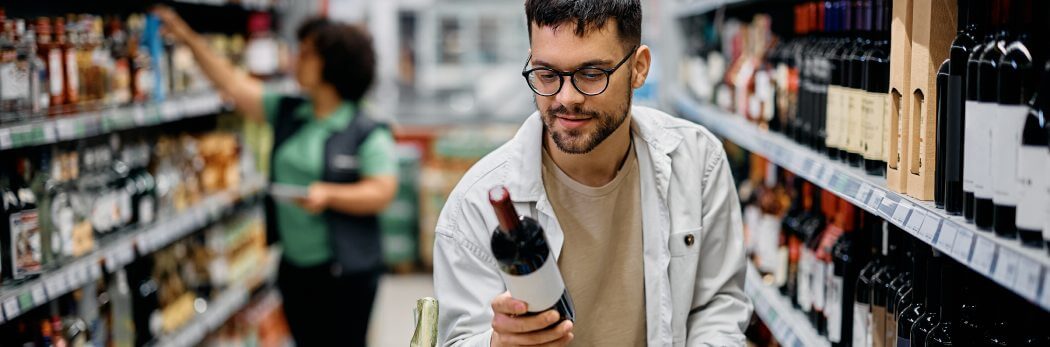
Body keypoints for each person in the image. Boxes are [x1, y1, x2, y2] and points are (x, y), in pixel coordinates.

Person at [432, 1, 752, 346]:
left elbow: (717, 306)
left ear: (639, 68)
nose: (566, 98)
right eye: (547, 74)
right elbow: (459, 339)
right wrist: (498, 343)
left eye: (591, 74)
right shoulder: (476, 204)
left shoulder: (697, 162)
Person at [154, 8, 398, 346]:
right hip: (295, 267)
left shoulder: (364, 129)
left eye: (308, 53)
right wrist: (187, 36)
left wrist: (328, 195)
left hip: (345, 273)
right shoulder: (289, 110)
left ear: (333, 64)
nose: (296, 58)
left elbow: (382, 191)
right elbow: (233, 84)